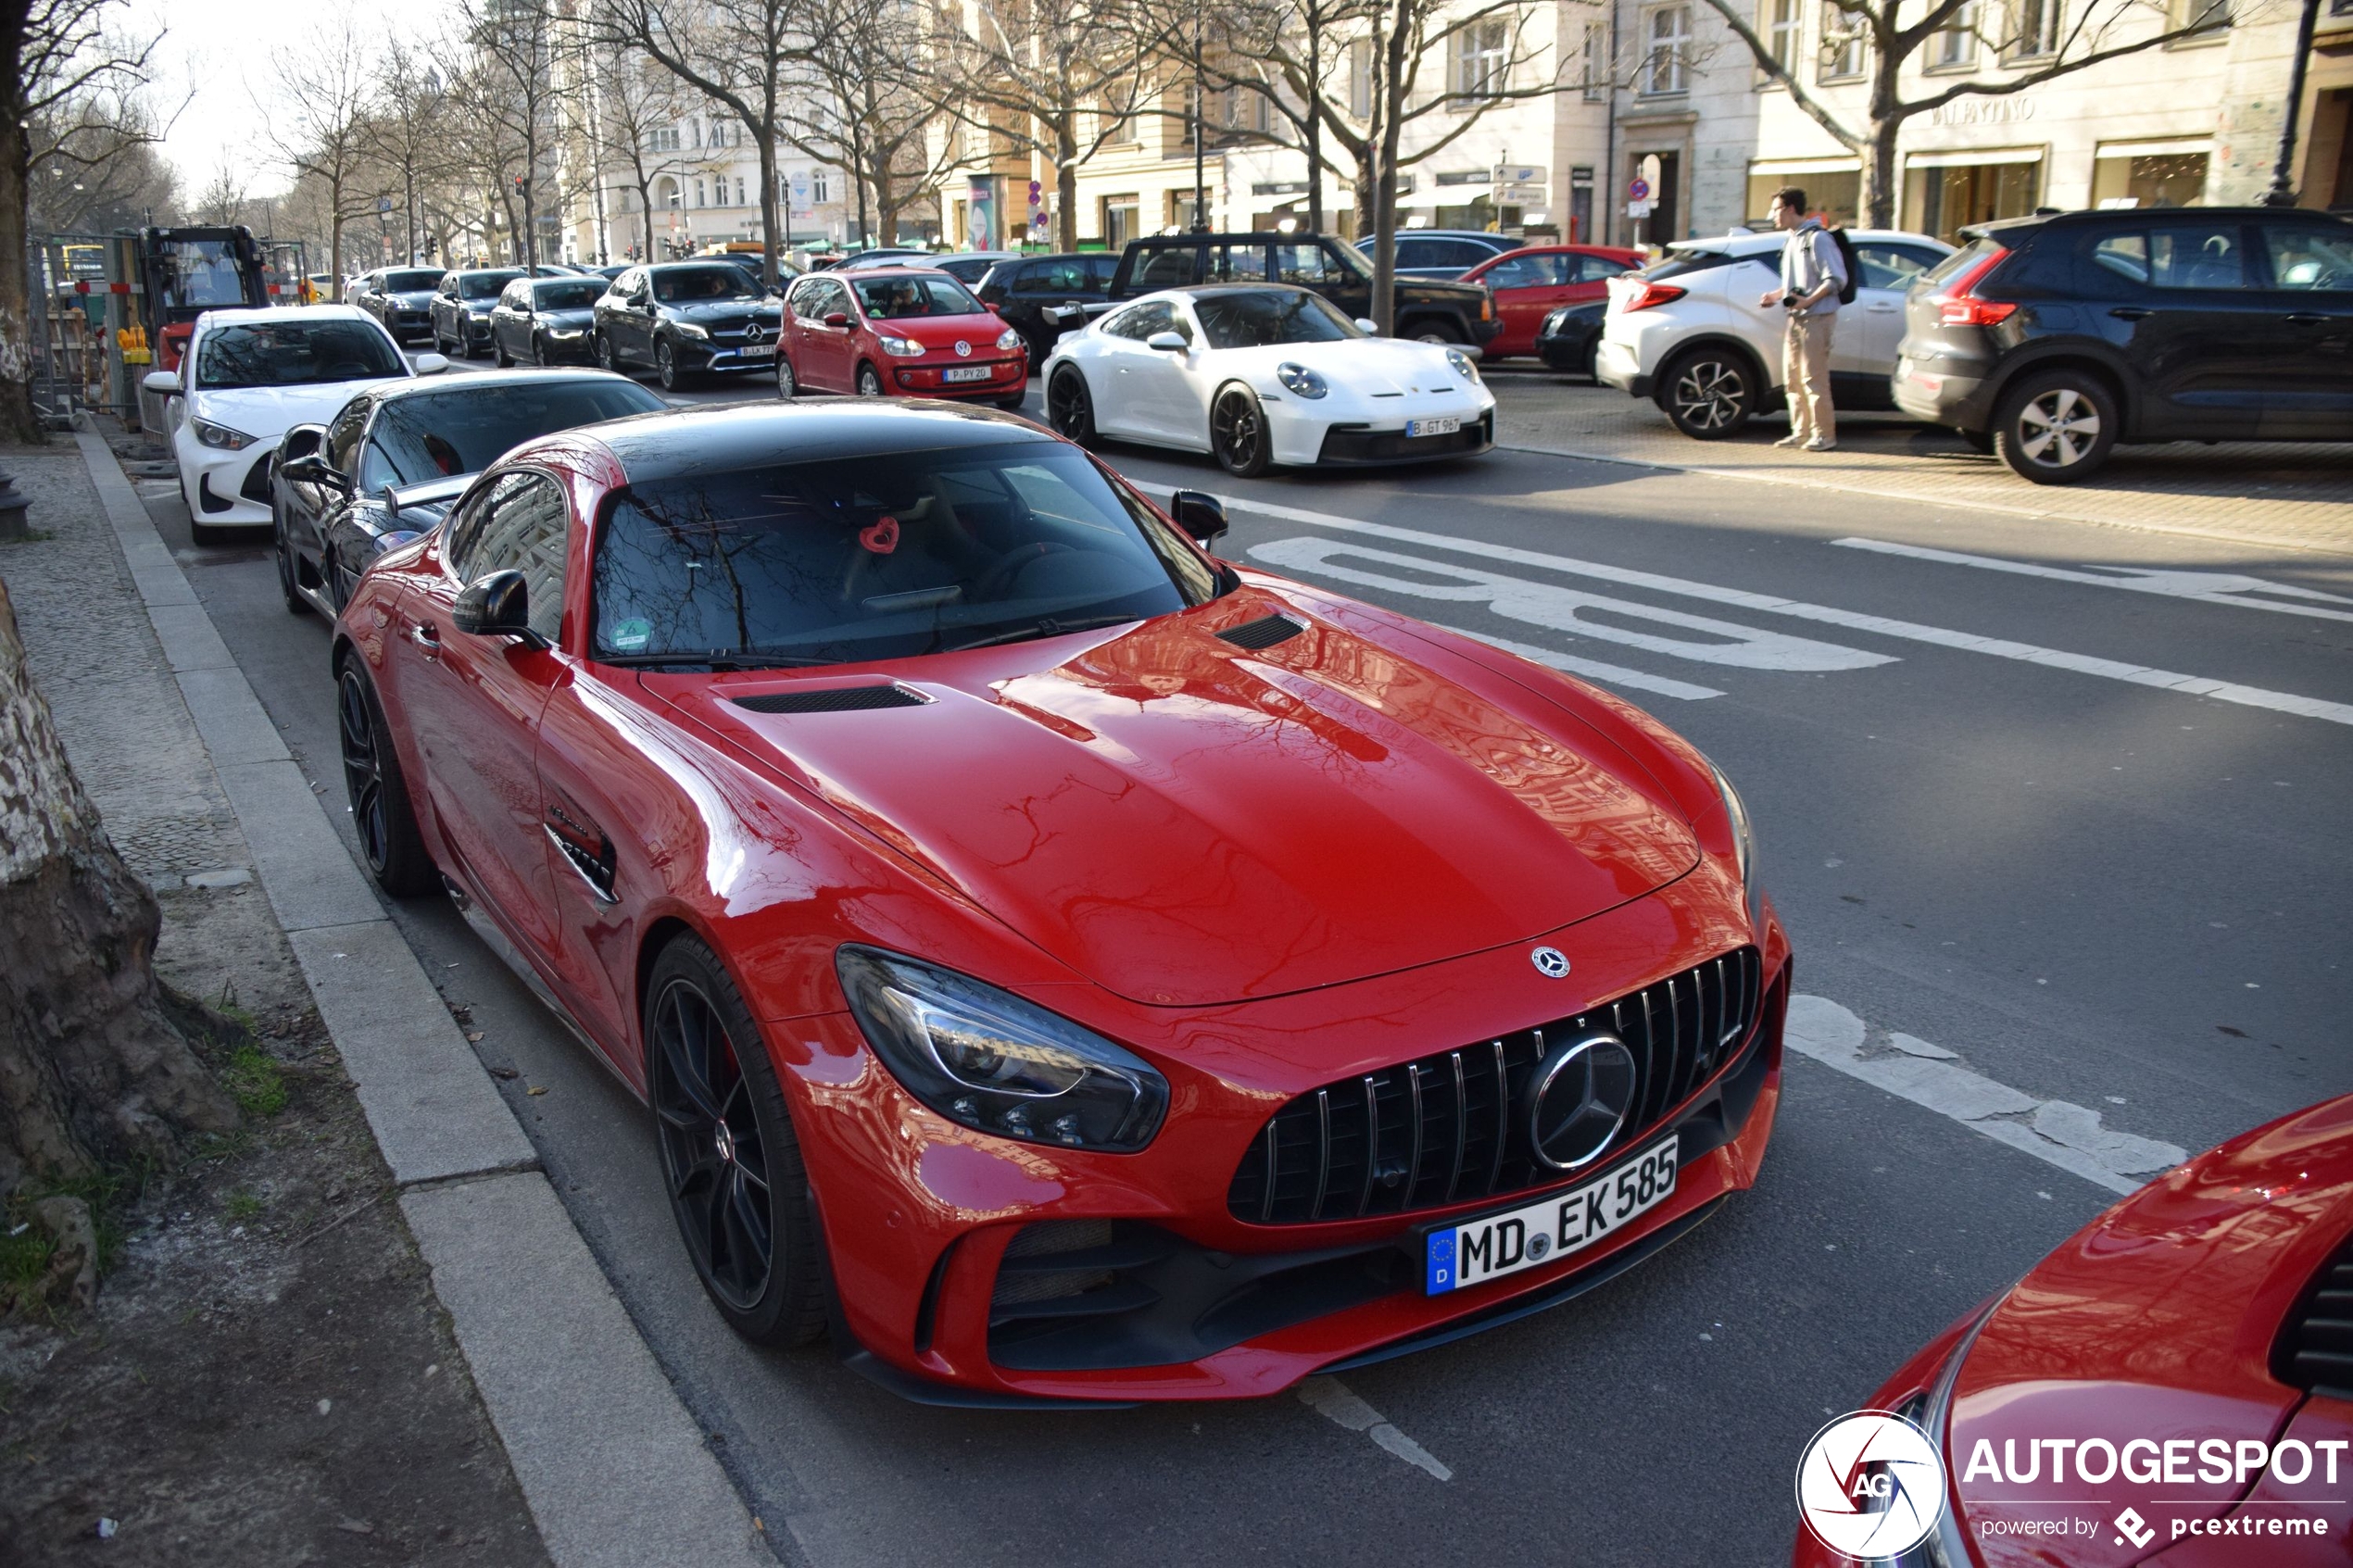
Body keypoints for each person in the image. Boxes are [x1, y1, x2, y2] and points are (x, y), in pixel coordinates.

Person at [1756, 186, 1846, 452]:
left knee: (1813, 379)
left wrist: (1807, 301)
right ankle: (1801, 432)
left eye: (1776, 210)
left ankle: (1824, 435)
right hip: (1796, 319)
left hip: (1816, 318)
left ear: (1790, 209)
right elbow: (1796, 283)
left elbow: (1836, 279)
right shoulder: (1792, 239)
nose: (1772, 215)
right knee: (1793, 379)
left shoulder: (1818, 239)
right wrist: (1775, 296)